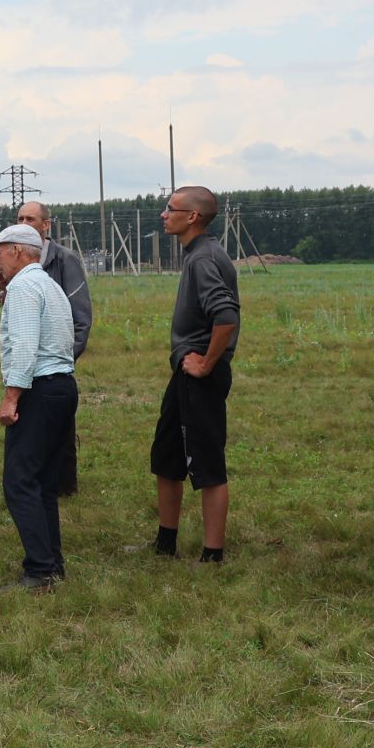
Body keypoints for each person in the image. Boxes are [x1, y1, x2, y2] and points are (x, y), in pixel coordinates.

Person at [149, 186, 239, 564]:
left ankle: (212, 555)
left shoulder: (203, 259)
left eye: (171, 208)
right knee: (167, 456)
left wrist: (205, 363)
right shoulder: (198, 255)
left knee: (206, 463)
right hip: (185, 374)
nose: (163, 215)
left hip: (199, 375)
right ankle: (165, 544)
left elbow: (227, 317)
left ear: (193, 217)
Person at [0, 222, 79, 590]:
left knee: (19, 482)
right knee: (42, 483)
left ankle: (41, 570)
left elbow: (25, 348)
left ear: (17, 250)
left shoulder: (24, 286)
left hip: (38, 389)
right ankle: (51, 563)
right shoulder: (49, 284)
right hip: (62, 387)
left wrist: (12, 398)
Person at [15, 200, 92, 357]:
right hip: (25, 360)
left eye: (30, 219)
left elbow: (81, 318)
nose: (24, 224)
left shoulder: (64, 259)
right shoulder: (16, 260)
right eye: (20, 219)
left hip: (55, 365)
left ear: (46, 225)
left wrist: (64, 359)